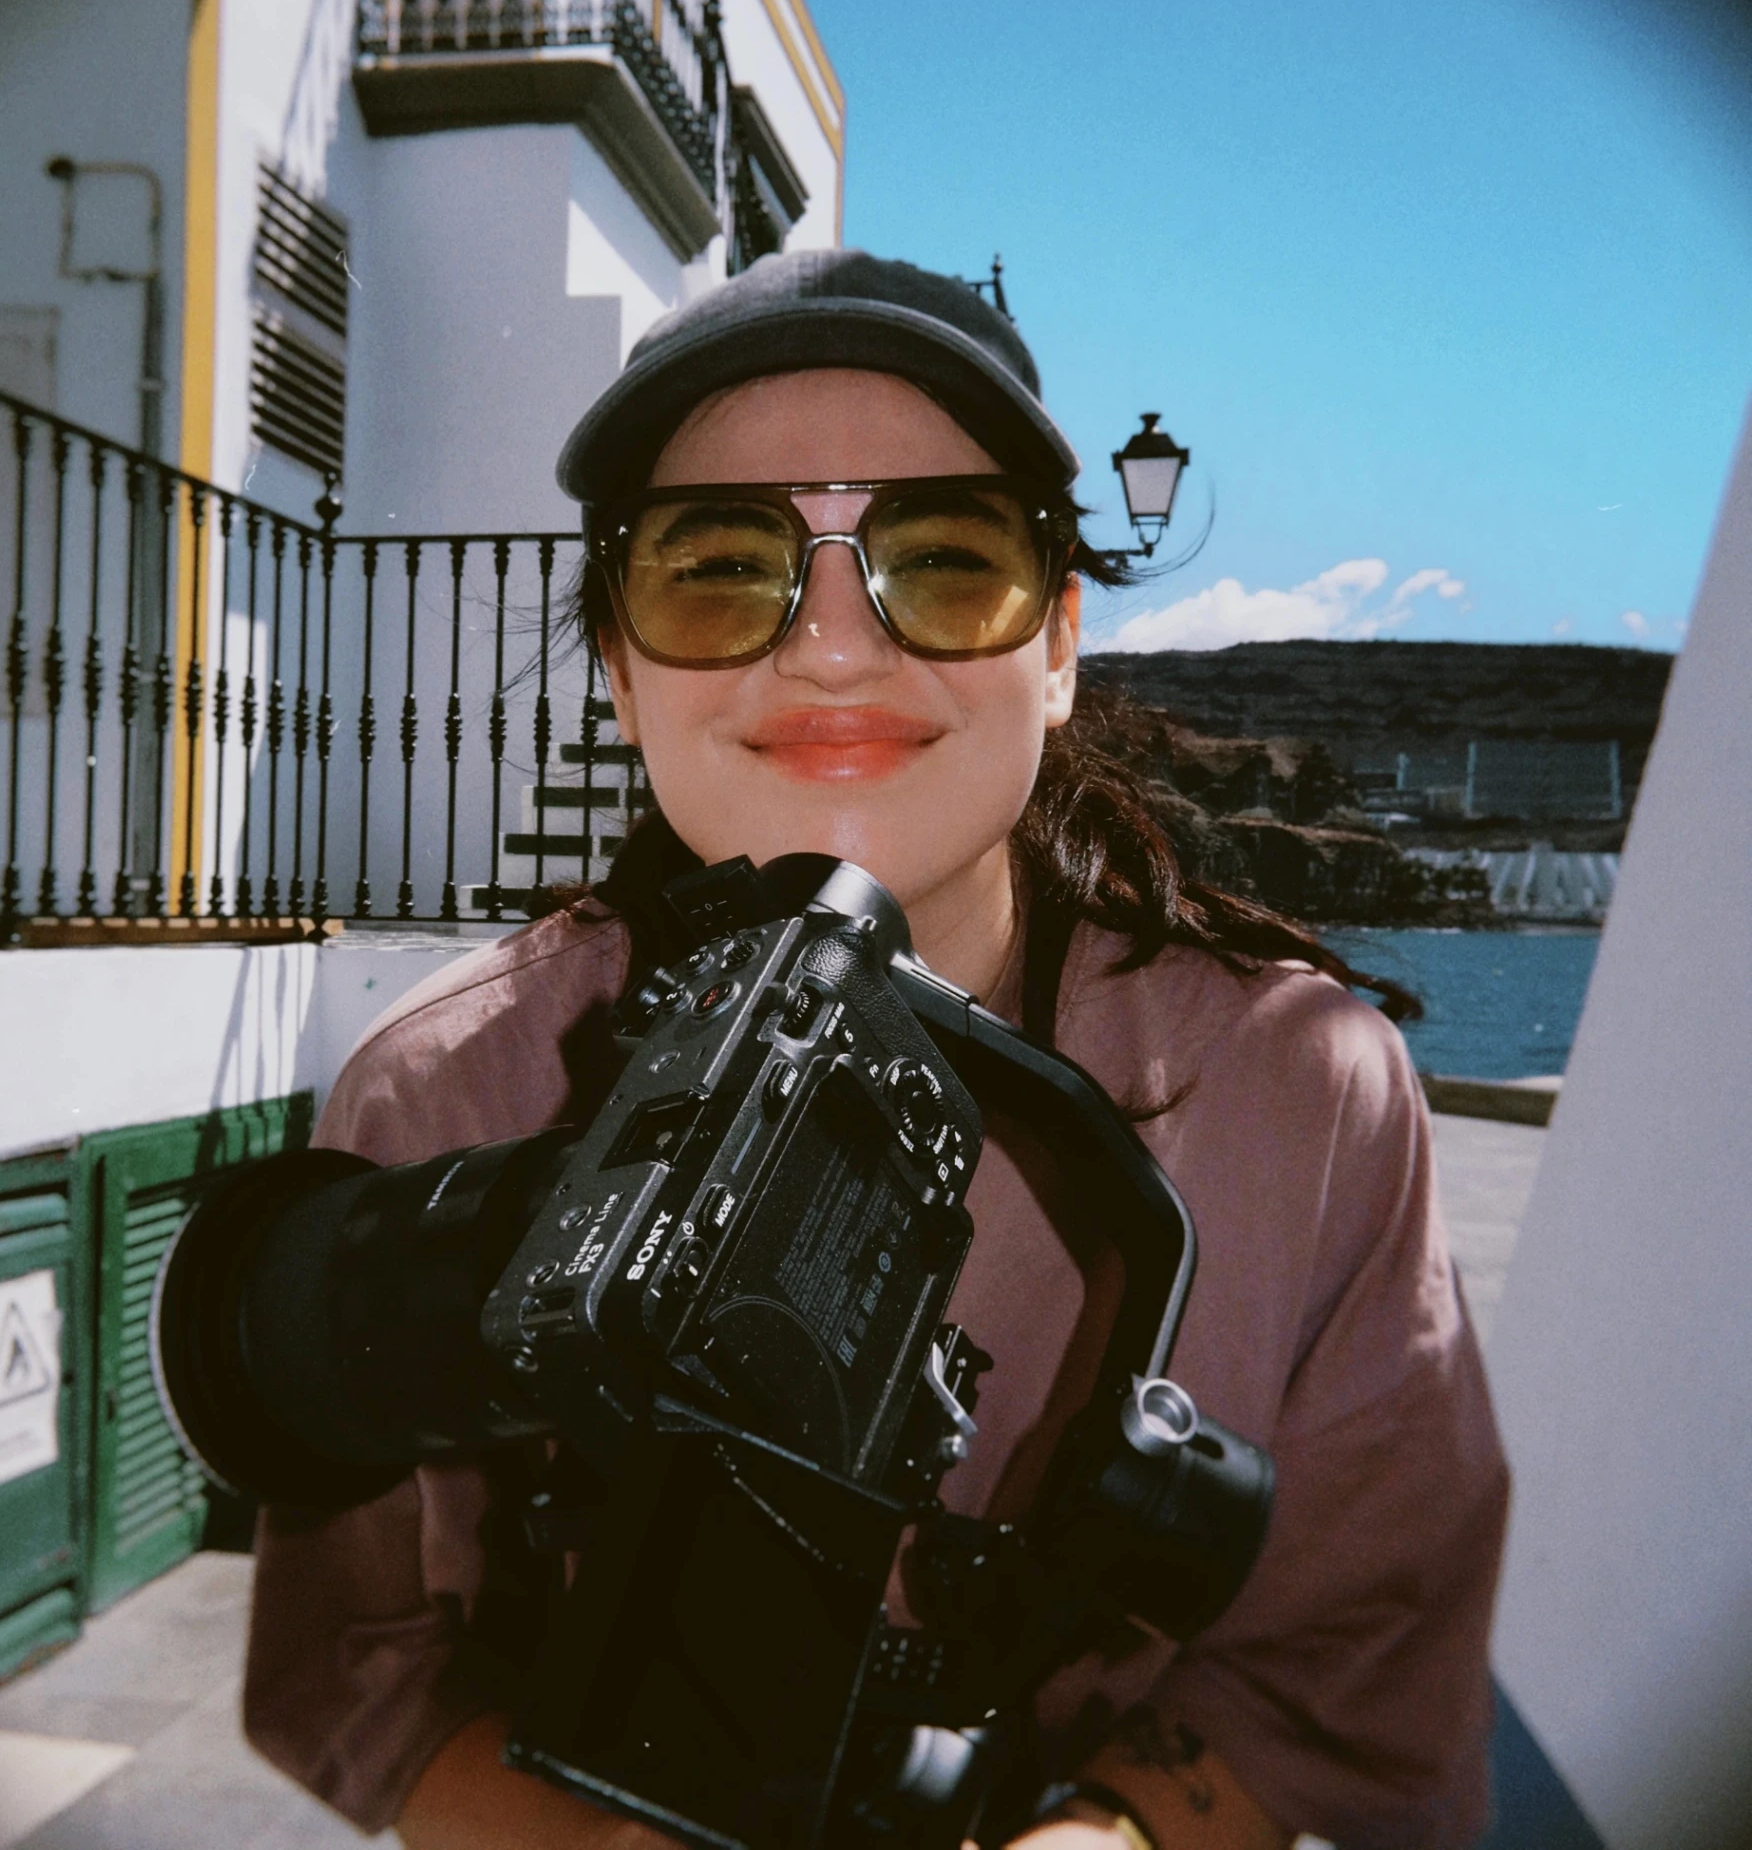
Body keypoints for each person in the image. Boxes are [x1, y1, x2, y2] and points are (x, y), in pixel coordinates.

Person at [243, 252, 1508, 1850]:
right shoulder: (444, 1095)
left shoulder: (1303, 1098)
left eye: (944, 556)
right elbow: (361, 1663)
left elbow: (1354, 1655)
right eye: (718, 566)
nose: (834, 649)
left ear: (1057, 646)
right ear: (622, 672)